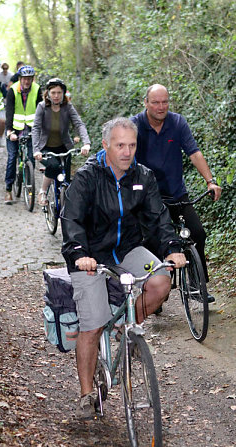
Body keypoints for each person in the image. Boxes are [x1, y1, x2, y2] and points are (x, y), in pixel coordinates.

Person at [61, 117, 185, 419]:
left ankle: (125, 328)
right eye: (120, 145)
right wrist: (79, 253)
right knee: (92, 325)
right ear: (106, 146)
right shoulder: (88, 177)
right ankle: (86, 394)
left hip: (128, 248)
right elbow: (72, 219)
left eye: (131, 145)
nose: (127, 152)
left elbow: (158, 217)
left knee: (160, 280)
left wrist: (172, 248)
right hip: (90, 255)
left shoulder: (143, 176)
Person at [130, 84, 222, 302]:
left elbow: (194, 152)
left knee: (197, 232)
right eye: (156, 102)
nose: (161, 107)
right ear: (146, 103)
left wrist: (210, 181)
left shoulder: (177, 122)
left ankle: (196, 285)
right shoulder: (135, 125)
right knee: (151, 240)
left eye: (165, 102)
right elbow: (127, 158)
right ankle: (154, 290)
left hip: (176, 191)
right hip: (148, 195)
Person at [32, 78, 91, 206]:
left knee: (66, 180)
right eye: (53, 92)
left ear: (63, 93)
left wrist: (86, 143)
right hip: (45, 148)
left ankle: (63, 204)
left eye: (59, 92)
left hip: (64, 147)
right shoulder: (42, 107)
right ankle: (42, 191)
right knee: (53, 166)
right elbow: (36, 128)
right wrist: (36, 150)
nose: (56, 96)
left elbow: (79, 124)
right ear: (47, 93)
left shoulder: (68, 107)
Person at [4, 65, 42, 204]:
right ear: (20, 79)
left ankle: (30, 188)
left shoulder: (37, 89)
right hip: (14, 129)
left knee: (31, 159)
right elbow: (9, 111)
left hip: (31, 129)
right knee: (12, 158)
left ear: (32, 79)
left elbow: (40, 110)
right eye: (24, 79)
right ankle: (8, 189)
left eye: (29, 79)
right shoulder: (13, 90)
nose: (27, 81)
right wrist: (9, 131)